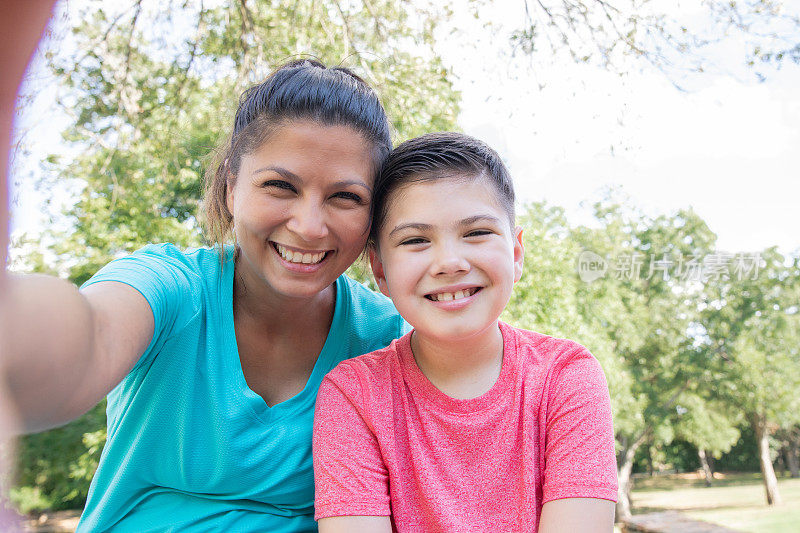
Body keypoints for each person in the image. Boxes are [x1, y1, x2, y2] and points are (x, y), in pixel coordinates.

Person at [1, 59, 407, 531]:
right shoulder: (169, 287)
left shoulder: (386, 338)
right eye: (280, 186)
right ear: (232, 186)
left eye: (345, 198)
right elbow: (90, 334)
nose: (310, 226)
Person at [313, 132, 618, 532]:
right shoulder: (353, 395)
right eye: (416, 240)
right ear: (380, 271)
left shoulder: (567, 376)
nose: (450, 262)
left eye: (476, 233)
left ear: (515, 253)